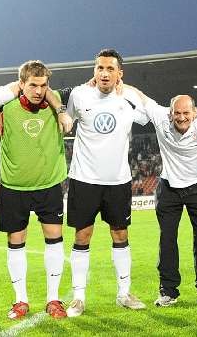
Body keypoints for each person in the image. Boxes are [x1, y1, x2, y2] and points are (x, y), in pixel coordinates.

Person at [60, 49, 149, 316]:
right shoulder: (79, 94)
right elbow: (64, 114)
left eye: (110, 69)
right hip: (84, 179)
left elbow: (149, 114)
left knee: (120, 235)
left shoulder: (129, 97)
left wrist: (130, 89)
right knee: (82, 236)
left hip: (118, 180)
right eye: (100, 68)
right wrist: (62, 113)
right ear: (94, 71)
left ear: (120, 73)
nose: (104, 73)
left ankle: (124, 293)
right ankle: (78, 298)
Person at [123, 87, 197, 307]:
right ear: (170, 113)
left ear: (195, 113)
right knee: (167, 240)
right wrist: (119, 84)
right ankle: (168, 291)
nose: (181, 117)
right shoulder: (161, 117)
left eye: (186, 113)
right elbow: (142, 97)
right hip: (168, 187)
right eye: (177, 113)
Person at [0, 60, 69, 320]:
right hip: (14, 186)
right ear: (20, 84)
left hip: (49, 184)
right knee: (16, 243)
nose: (38, 91)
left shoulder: (56, 101)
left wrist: (62, 110)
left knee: (54, 240)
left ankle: (53, 299)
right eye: (33, 85)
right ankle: (20, 300)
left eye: (43, 85)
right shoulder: (6, 103)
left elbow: (62, 95)